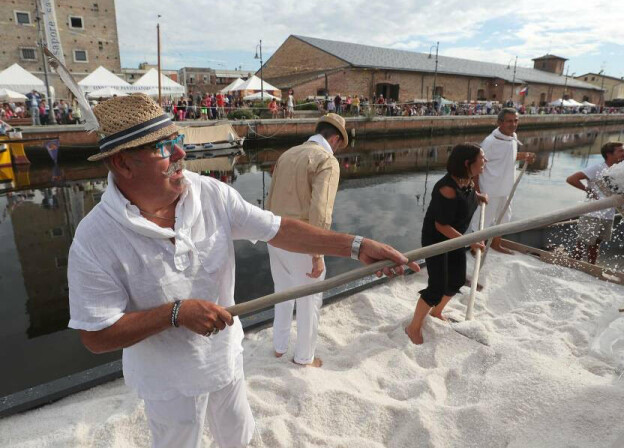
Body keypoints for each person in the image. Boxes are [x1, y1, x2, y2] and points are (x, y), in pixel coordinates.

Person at [66, 94, 417, 448]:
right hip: (166, 381)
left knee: (238, 436)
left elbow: (278, 228)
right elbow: (96, 335)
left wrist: (356, 246)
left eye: (178, 140)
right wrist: (176, 313)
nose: (180, 155)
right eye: (164, 147)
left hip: (224, 359)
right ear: (123, 163)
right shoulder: (95, 238)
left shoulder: (211, 194)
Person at [264, 113, 355, 367]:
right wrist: (317, 253)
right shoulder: (326, 160)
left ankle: (280, 348)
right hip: (304, 240)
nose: (337, 149)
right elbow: (321, 210)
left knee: (281, 293)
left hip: (276, 232)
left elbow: (269, 198)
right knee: (309, 300)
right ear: (335, 139)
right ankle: (304, 357)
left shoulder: (288, 154)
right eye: (339, 144)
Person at [406, 143, 488, 345]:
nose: (484, 161)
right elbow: (441, 225)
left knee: (457, 279)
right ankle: (413, 327)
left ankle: (436, 312)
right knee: (437, 286)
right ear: (468, 163)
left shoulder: (468, 180)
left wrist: (478, 197)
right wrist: (470, 241)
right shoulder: (446, 189)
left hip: (456, 237)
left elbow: (467, 195)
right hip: (438, 240)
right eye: (482, 158)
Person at [471, 108, 535, 259]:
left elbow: (509, 157)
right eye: (509, 121)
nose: (513, 124)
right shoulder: (490, 142)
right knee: (482, 220)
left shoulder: (513, 137)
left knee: (504, 218)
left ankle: (496, 243)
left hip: (507, 188)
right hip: (490, 188)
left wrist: (524, 156)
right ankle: (475, 247)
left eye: (516, 121)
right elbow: (476, 166)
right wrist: (477, 190)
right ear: (500, 122)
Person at [566, 141, 624, 264]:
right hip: (592, 214)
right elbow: (571, 179)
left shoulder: (620, 170)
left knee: (596, 245)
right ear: (609, 154)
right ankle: (571, 267)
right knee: (582, 244)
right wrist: (588, 190)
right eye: (621, 151)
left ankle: (591, 268)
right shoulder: (598, 168)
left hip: (608, 214)